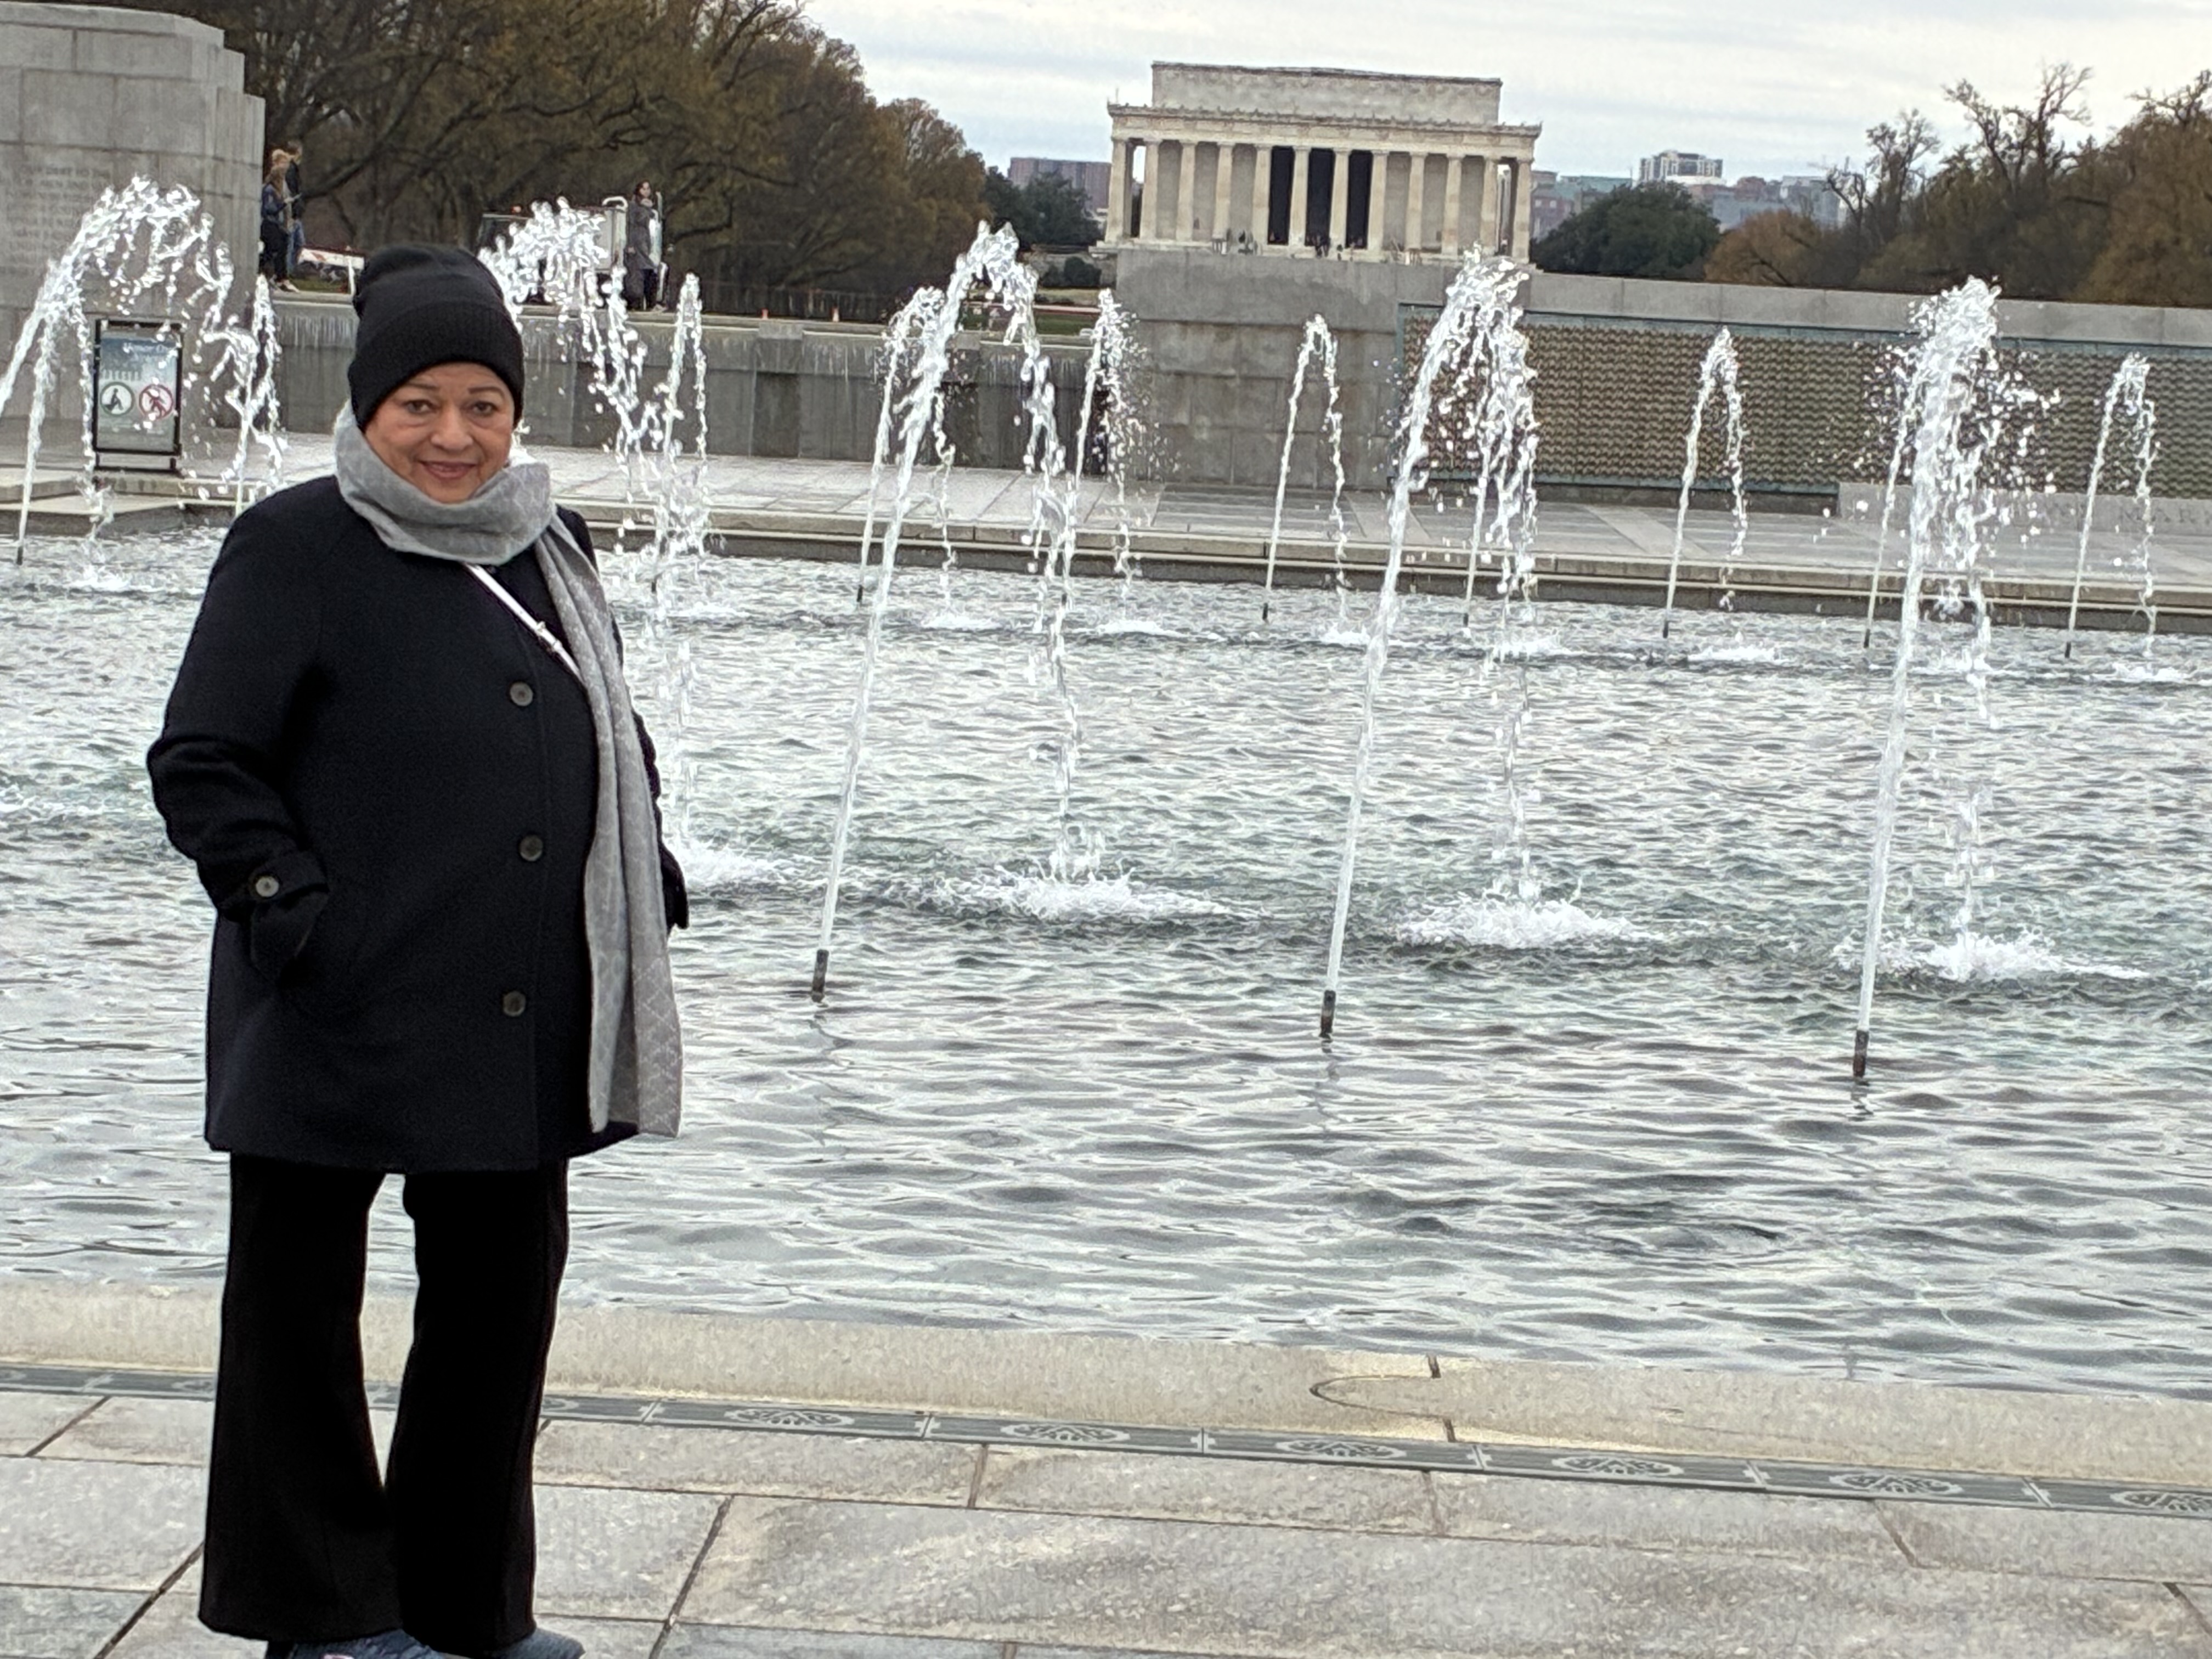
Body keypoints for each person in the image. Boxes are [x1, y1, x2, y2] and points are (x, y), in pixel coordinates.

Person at [147, 244, 688, 1659]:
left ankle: (465, 1610)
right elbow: (203, 759)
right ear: (367, 409)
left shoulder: (550, 546)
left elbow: (605, 724)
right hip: (332, 1000)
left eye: (483, 406)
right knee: (296, 1329)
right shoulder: (295, 545)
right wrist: (289, 907)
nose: (455, 436)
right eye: (421, 406)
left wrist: (645, 864)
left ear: (515, 413)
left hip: (513, 1009)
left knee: (496, 1325)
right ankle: (323, 1616)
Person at [621, 179, 662, 310]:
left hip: (645, 241)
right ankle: (645, 302)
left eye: (648, 189)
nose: (646, 191)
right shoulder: (633, 206)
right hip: (636, 242)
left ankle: (649, 302)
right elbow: (630, 224)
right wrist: (630, 244)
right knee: (641, 273)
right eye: (643, 189)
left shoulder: (648, 207)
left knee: (648, 271)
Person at [257, 152, 290, 282]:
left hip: (277, 224)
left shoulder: (275, 191)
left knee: (275, 249)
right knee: (273, 250)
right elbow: (269, 209)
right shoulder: (269, 190)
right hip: (270, 224)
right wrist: (283, 204)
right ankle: (271, 273)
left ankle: (276, 274)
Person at [283, 139, 307, 287]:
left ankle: (288, 273)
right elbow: (291, 193)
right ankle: (286, 275)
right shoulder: (290, 170)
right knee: (292, 245)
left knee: (298, 244)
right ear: (297, 152)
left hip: (295, 214)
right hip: (292, 215)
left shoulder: (293, 169)